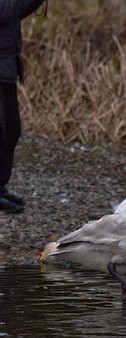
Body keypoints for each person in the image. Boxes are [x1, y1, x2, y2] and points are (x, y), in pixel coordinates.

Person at [0, 0, 47, 213]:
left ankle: (0, 187)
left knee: (11, 129)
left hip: (6, 67)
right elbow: (6, 11)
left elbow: (20, 11)